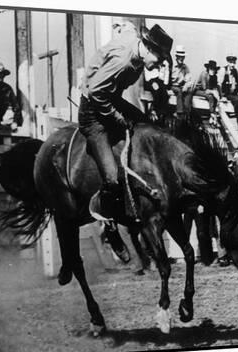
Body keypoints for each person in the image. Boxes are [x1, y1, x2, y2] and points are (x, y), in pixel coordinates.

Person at [79, 24, 173, 221]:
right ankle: (105, 216)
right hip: (93, 110)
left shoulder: (138, 47)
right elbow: (96, 92)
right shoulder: (123, 61)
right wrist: (117, 117)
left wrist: (120, 27)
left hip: (110, 98)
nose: (159, 65)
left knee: (148, 126)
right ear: (148, 49)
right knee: (112, 179)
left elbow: (128, 28)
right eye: (159, 59)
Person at [170, 45, 193, 117]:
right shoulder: (171, 65)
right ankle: (179, 112)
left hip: (180, 86)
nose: (181, 59)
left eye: (183, 57)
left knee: (189, 92)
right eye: (180, 57)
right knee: (179, 91)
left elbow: (189, 79)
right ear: (176, 57)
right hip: (171, 85)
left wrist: (186, 85)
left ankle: (186, 111)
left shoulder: (185, 67)